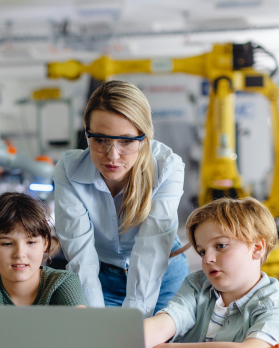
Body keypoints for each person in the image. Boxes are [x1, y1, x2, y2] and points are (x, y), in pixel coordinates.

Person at [54, 80, 189, 316]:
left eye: (126, 141)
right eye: (101, 140)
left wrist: (131, 325)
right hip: (100, 279)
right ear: (86, 133)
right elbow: (81, 256)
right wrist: (96, 322)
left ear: (144, 138)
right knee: (96, 343)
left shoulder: (167, 167)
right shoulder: (69, 169)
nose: (112, 156)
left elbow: (151, 251)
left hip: (163, 275)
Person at [144, 197, 279, 348]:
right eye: (202, 251)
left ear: (257, 248)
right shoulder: (197, 287)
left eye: (221, 245)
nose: (207, 259)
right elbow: (161, 326)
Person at [0, 192, 87, 307]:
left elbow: (82, 328)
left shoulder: (63, 283)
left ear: (45, 245)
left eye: (31, 242)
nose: (20, 254)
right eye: (7, 243)